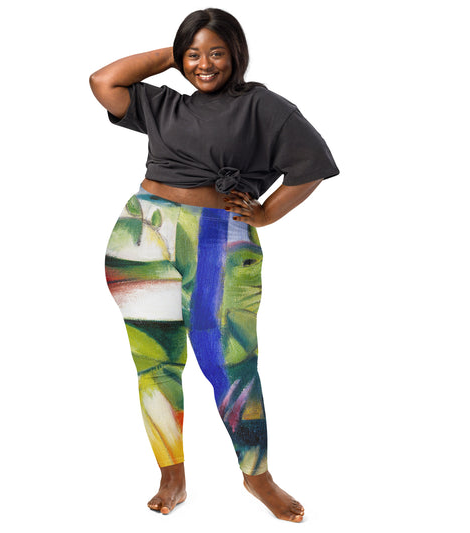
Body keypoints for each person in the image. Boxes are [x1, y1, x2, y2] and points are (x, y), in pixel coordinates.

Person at [89, 7, 339, 522]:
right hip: (142, 234)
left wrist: (266, 213)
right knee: (155, 363)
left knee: (231, 363)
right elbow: (103, 81)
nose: (204, 64)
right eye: (194, 55)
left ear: (237, 54)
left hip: (219, 239)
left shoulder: (262, 107)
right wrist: (176, 54)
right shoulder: (164, 105)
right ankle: (172, 475)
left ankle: (257, 477)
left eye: (217, 53)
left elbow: (312, 163)